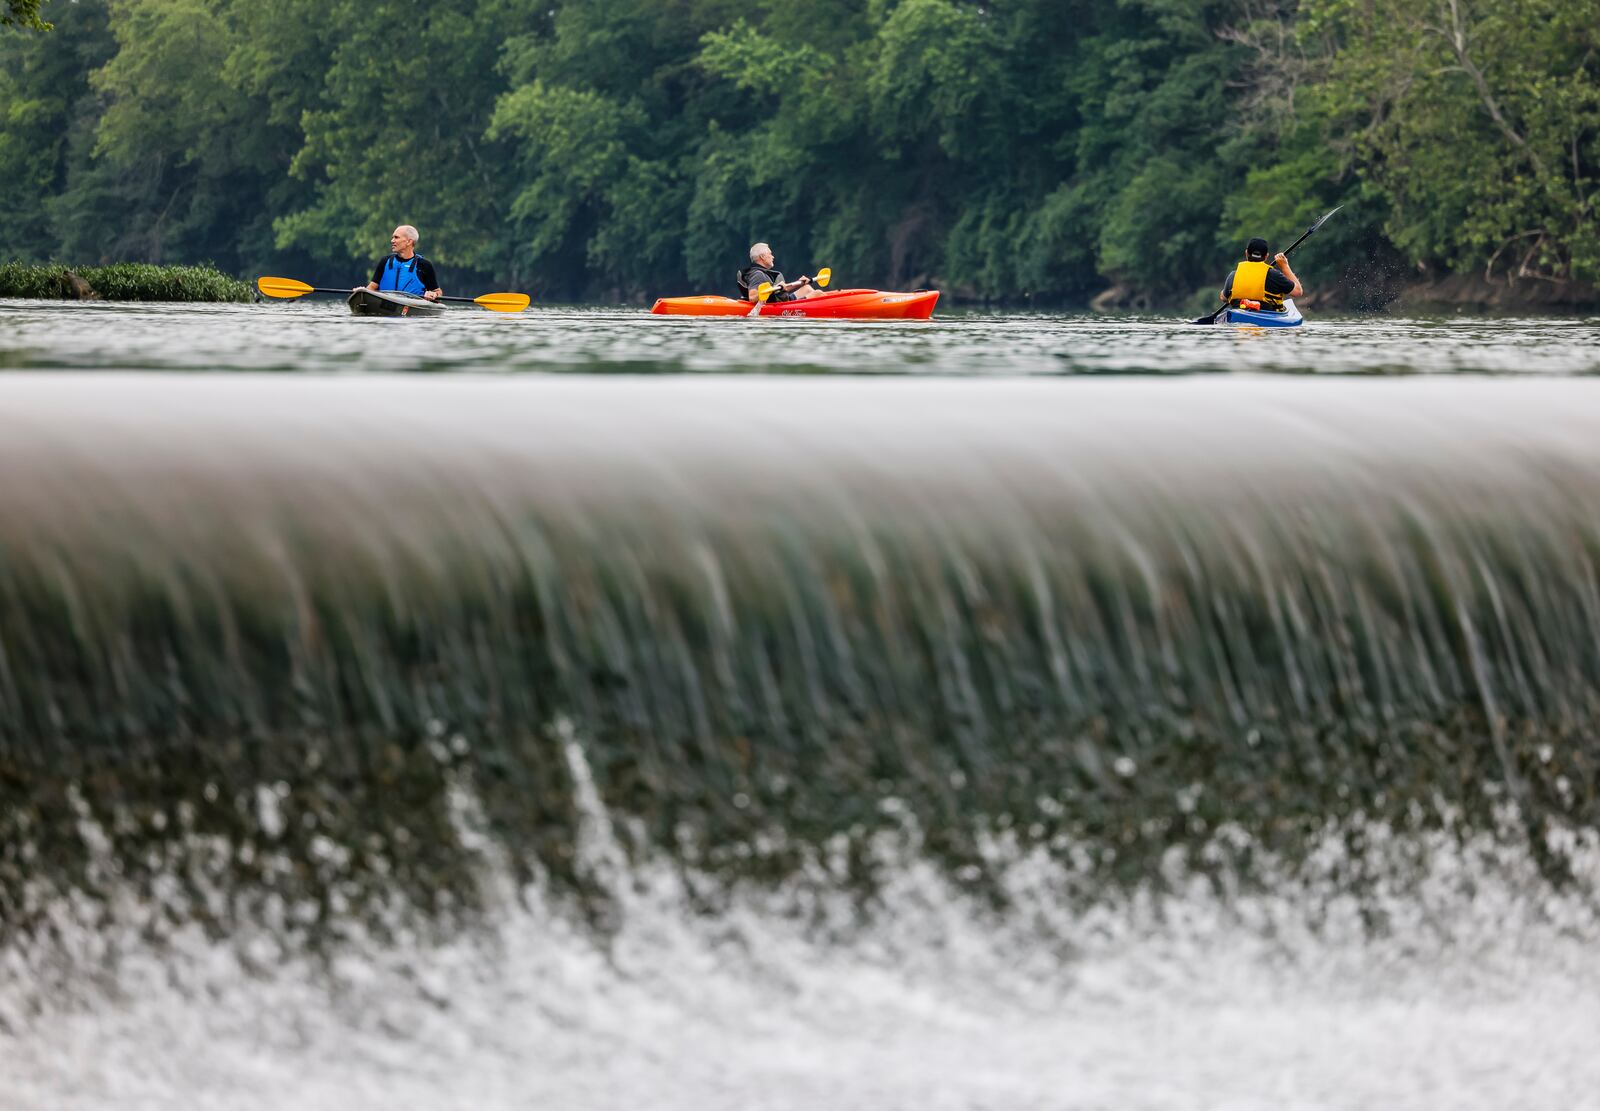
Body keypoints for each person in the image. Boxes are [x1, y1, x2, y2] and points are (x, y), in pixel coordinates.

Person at [359, 225, 442, 301]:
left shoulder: (424, 265)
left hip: (411, 309)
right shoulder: (385, 261)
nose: (392, 241)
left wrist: (433, 294)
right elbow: (371, 288)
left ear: (409, 242)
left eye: (396, 237)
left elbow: (438, 294)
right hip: (384, 307)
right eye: (392, 237)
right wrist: (361, 292)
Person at [1220, 236, 1302, 311]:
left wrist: (1226, 291)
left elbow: (1223, 297)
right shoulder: (1274, 275)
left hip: (1238, 318)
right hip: (1267, 319)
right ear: (1266, 256)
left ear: (1246, 253)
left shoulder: (1233, 275)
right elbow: (1298, 292)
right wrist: (1284, 266)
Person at [739, 242, 820, 303]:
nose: (773, 257)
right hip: (780, 307)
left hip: (782, 302)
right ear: (762, 257)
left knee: (807, 288)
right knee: (818, 293)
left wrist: (801, 283)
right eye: (770, 254)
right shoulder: (757, 275)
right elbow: (752, 297)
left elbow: (781, 289)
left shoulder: (762, 273)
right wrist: (772, 290)